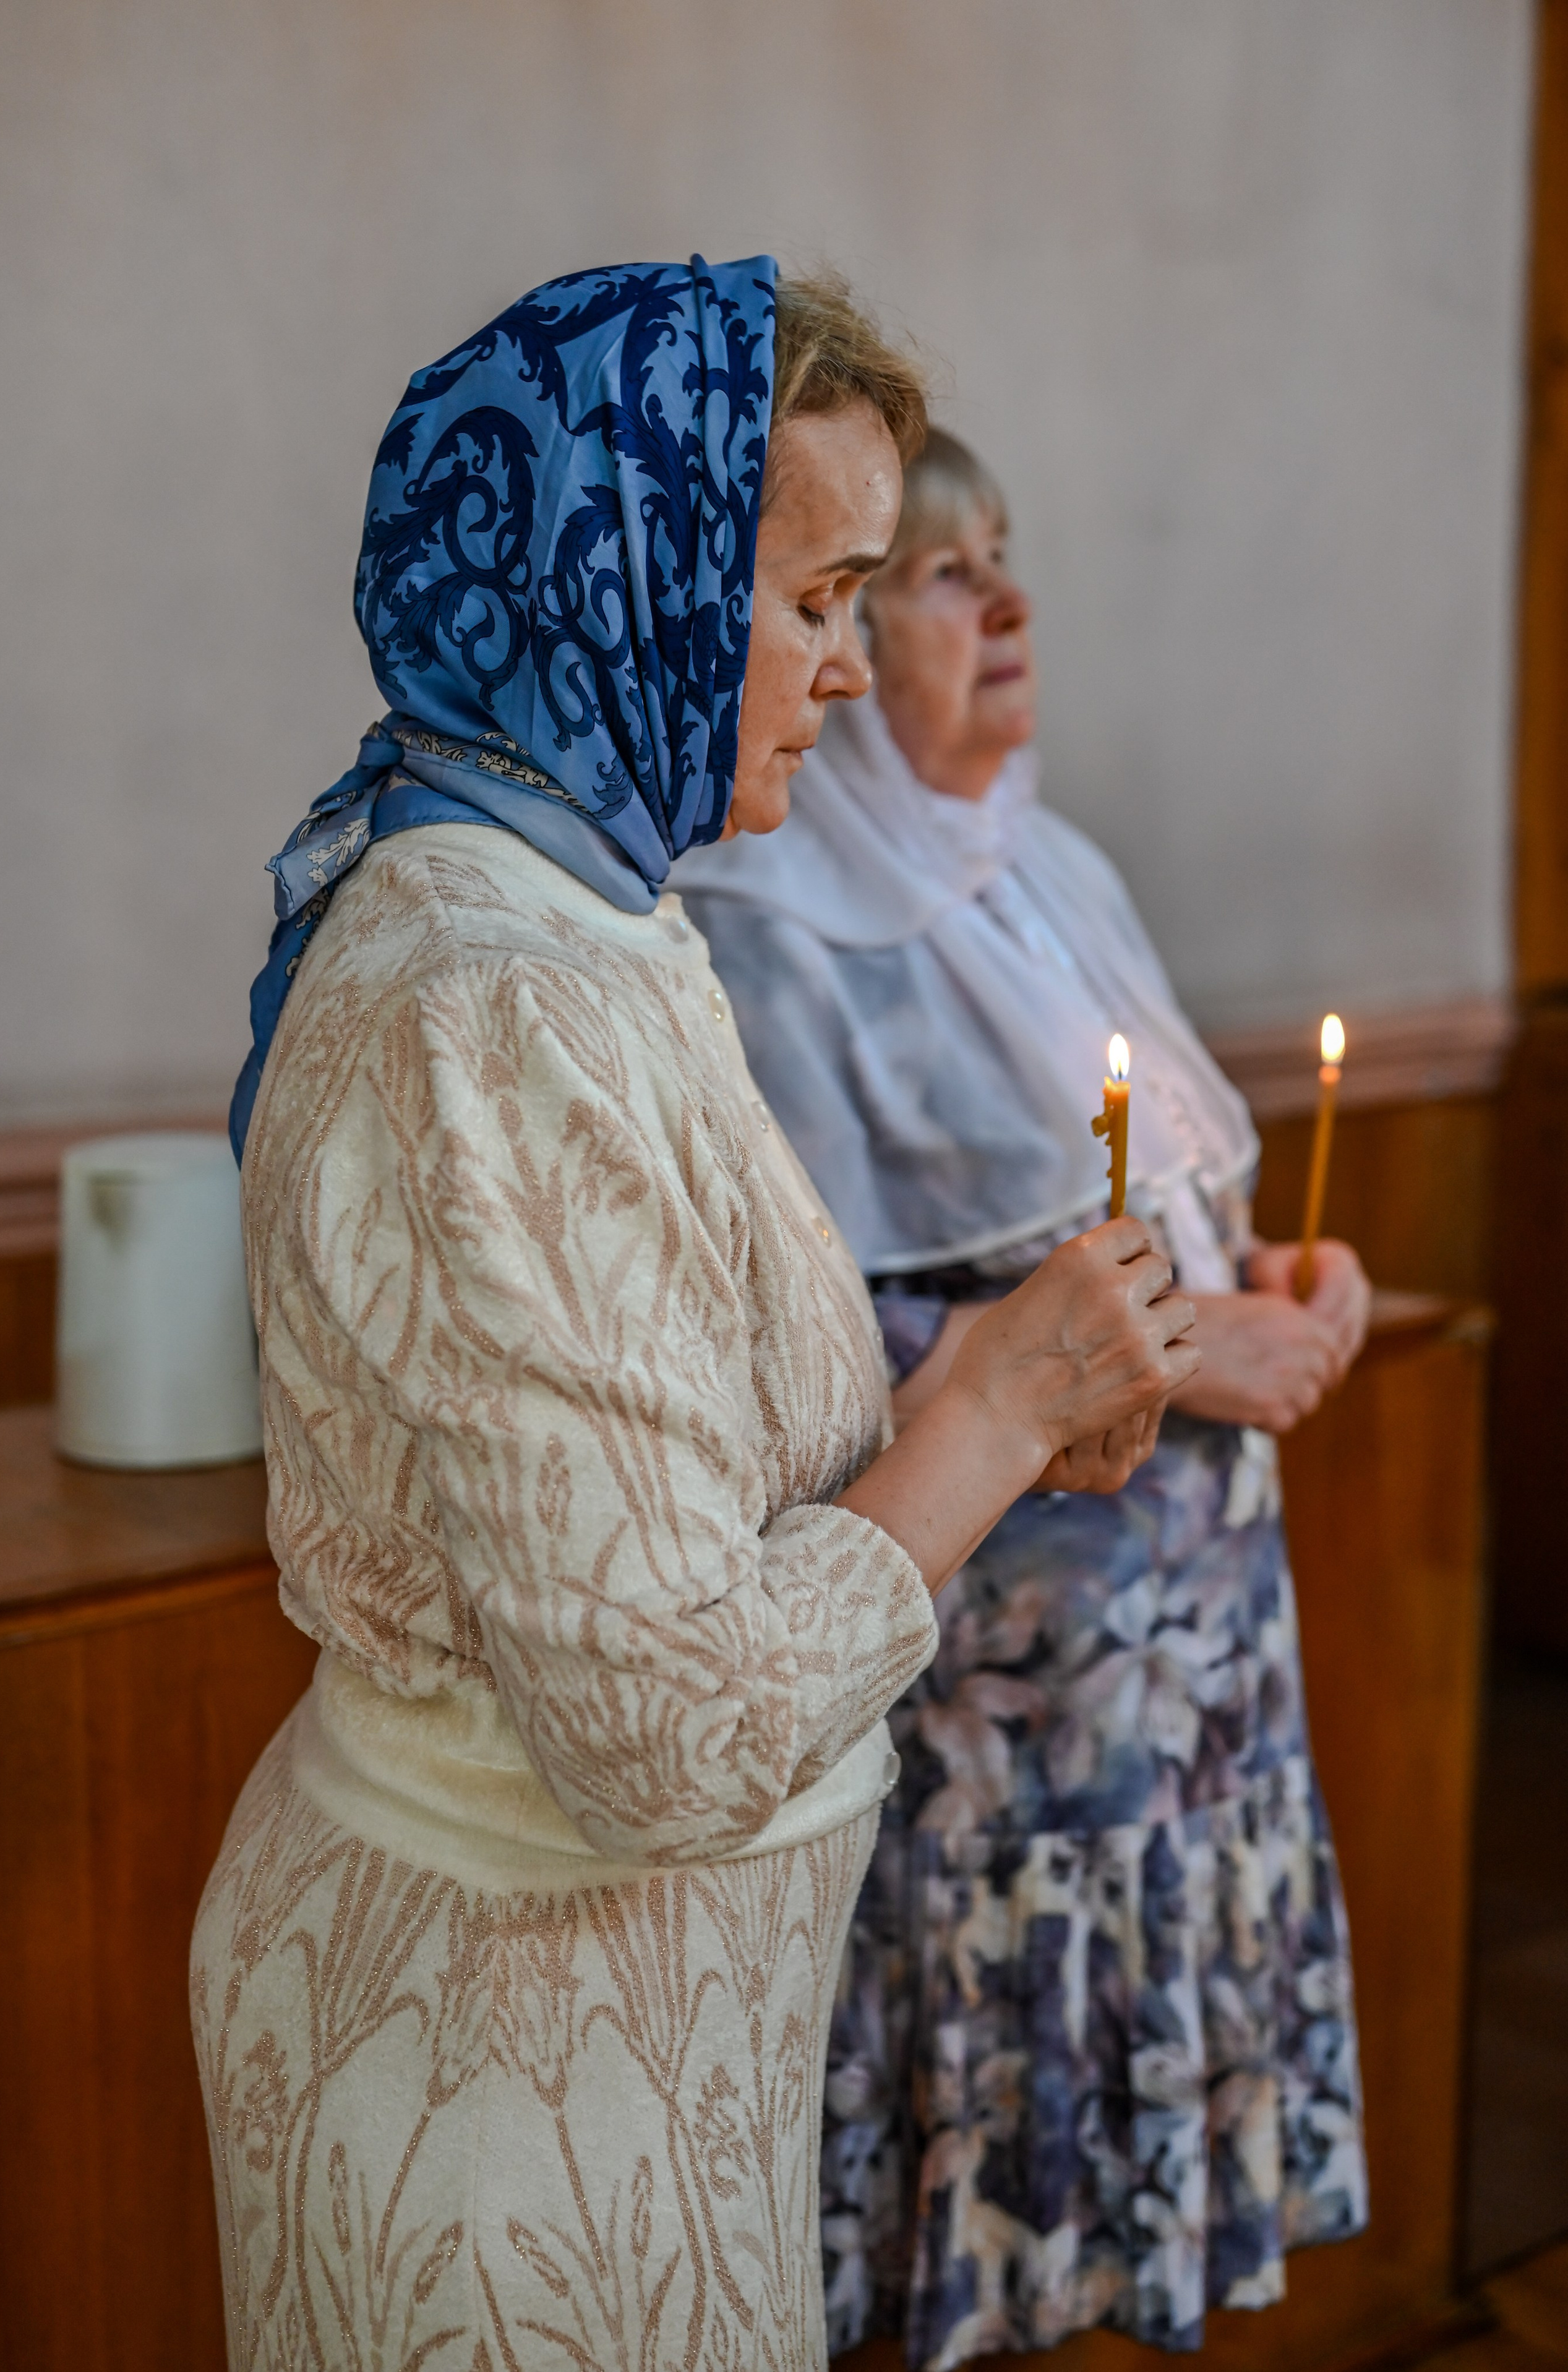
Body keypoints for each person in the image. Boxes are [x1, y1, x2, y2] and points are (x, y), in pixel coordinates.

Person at [191, 272, 1199, 2371]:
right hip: (495, 2070)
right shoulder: (498, 995)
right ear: (627, 569)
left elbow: (669, 1469)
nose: (841, 664)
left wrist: (979, 1395)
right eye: (816, 593)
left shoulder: (586, 904)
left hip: (618, 2037)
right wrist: (991, 1411)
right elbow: (657, 1726)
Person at [672, 427, 1372, 2368]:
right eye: (932, 575)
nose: (1008, 606)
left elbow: (1174, 1231)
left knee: (1128, 2256)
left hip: (1187, 1703)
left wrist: (1291, 1291)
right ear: (819, 633)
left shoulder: (1053, 872)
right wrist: (1187, 1341)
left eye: (1007, 561)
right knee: (973, 2249)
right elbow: (797, 1361)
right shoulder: (756, 931)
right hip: (1002, 1747)